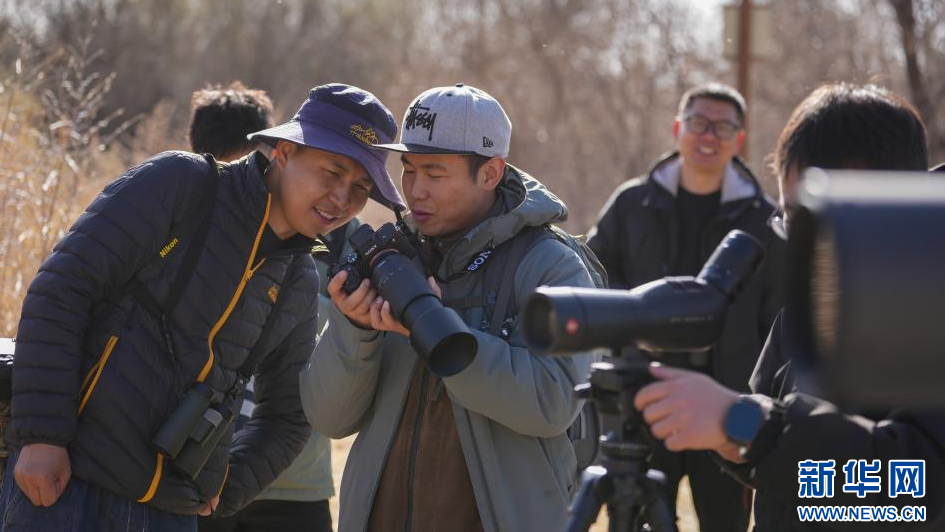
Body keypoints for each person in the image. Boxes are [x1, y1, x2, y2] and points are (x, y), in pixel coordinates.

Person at [0, 83, 404, 531]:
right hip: (69, 482)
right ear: (284, 152)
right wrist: (42, 437)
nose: (342, 199)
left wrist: (224, 486)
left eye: (361, 187)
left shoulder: (299, 280)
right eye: (332, 172)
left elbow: (289, 416)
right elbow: (62, 290)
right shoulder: (181, 183)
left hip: (169, 514)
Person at [633, 83, 944, 530]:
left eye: (815, 219)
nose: (802, 243)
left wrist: (745, 425)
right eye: (791, 220)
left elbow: (916, 487)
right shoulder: (816, 297)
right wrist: (734, 437)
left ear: (884, 201)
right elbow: (776, 429)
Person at [299, 84, 599, 532]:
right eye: (408, 170)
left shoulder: (549, 265)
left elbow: (551, 402)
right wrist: (356, 330)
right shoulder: (396, 260)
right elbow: (329, 418)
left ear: (490, 173)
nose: (415, 191)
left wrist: (439, 332)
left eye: (435, 174)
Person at [586, 82, 784, 530]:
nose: (708, 135)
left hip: (726, 404)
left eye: (722, 127)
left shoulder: (764, 219)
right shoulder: (633, 203)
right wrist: (629, 335)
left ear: (739, 139)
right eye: (698, 123)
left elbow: (778, 314)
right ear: (677, 128)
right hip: (643, 399)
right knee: (633, 520)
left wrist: (761, 399)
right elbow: (596, 273)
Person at [186, 83, 338, 532]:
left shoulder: (323, 238)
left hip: (287, 484)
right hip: (195, 478)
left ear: (277, 156)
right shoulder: (180, 226)